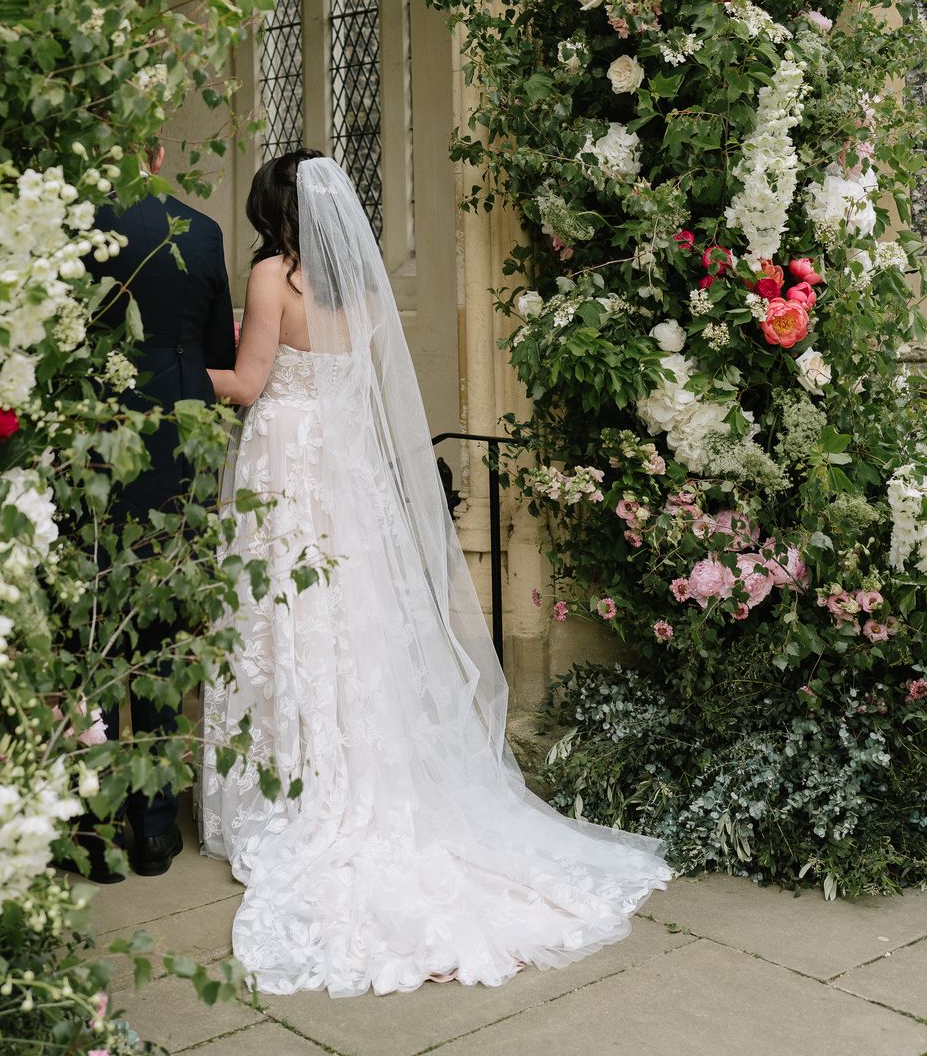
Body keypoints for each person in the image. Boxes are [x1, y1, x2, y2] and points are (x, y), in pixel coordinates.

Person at [199, 148, 670, 996]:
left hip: (289, 460)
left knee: (290, 615)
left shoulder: (273, 278)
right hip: (348, 467)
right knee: (357, 614)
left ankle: (300, 781)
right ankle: (365, 765)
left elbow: (249, 381)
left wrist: (173, 371)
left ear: (273, 213)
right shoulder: (364, 290)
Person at [91, 140, 236, 880]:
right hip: (178, 440)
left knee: (87, 622)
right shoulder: (201, 232)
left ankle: (91, 824)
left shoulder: (78, 225)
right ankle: (152, 828)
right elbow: (216, 356)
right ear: (157, 151)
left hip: (91, 439)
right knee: (160, 624)